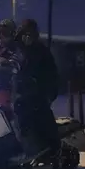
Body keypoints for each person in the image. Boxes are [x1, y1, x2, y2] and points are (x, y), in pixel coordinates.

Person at [13, 19, 61, 159]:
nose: (27, 38)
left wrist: (49, 93)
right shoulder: (14, 49)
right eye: (25, 34)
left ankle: (53, 148)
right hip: (14, 91)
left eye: (30, 35)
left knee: (41, 115)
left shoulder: (41, 51)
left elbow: (51, 72)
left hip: (36, 92)